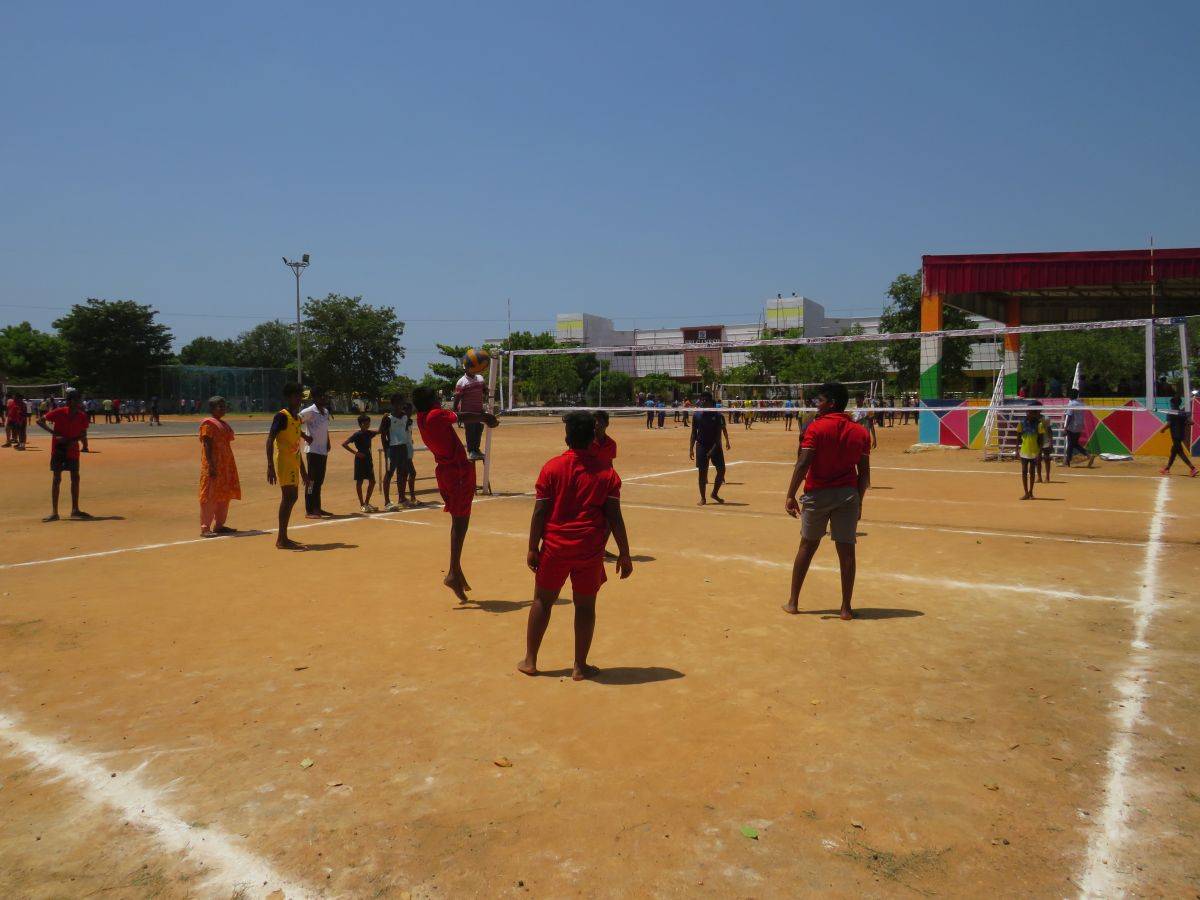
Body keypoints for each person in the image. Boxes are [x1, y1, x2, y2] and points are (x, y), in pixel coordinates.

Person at [519, 412, 632, 680]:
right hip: (589, 549)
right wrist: (625, 553)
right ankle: (580, 666)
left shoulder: (552, 467)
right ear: (594, 437)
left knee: (542, 601)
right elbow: (614, 516)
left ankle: (530, 660)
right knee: (585, 607)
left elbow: (540, 511)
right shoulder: (607, 473)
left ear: (566, 437)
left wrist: (533, 547)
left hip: (555, 547)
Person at [782, 382, 871, 620]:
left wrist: (790, 494)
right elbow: (865, 473)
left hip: (817, 494)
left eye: (819, 400)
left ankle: (793, 602)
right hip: (848, 495)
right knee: (847, 551)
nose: (816, 404)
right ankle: (845, 608)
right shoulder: (860, 432)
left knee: (807, 546)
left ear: (831, 402)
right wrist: (859, 501)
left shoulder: (816, 428)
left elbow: (803, 463)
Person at [413, 385, 499, 602]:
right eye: (436, 397)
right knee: (460, 522)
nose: (438, 400)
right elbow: (461, 416)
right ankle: (453, 571)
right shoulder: (434, 415)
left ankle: (456, 570)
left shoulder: (422, 416)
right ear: (431, 401)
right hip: (456, 472)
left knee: (459, 520)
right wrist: (485, 417)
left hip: (447, 471)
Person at [267, 383, 311, 551]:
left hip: (294, 460)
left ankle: (283, 537)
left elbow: (296, 445)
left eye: (300, 396)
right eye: (296, 396)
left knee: (292, 497)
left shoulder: (297, 418)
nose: (299, 399)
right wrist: (270, 465)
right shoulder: (281, 416)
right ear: (288, 397)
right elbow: (270, 439)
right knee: (288, 497)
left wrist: (304, 472)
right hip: (284, 461)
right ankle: (281, 539)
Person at [37, 389, 91, 522]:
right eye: (77, 399)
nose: (79, 401)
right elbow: (40, 421)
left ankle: (75, 509)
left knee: (75, 477)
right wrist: (54, 434)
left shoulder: (82, 415)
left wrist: (74, 440)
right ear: (71, 400)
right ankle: (54, 512)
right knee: (57, 478)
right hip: (59, 449)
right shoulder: (59, 412)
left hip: (72, 449)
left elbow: (84, 433)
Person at [199, 396, 241, 537]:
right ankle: (205, 527)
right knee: (210, 495)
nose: (223, 409)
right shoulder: (208, 424)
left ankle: (219, 525)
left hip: (226, 465)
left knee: (224, 494)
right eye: (220, 406)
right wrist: (211, 465)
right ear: (211, 409)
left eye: (224, 406)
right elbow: (207, 445)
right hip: (214, 464)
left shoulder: (223, 423)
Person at [689, 391, 731, 505]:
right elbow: (693, 433)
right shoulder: (697, 415)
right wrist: (691, 448)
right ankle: (703, 498)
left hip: (715, 445)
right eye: (701, 400)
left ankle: (714, 493)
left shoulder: (717, 415)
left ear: (710, 402)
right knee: (702, 472)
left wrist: (712, 451)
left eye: (705, 400)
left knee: (721, 470)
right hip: (701, 445)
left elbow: (718, 436)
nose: (703, 402)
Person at [300, 388, 334, 519]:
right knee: (311, 482)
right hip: (313, 451)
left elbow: (325, 429)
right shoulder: (308, 411)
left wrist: (328, 441)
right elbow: (294, 424)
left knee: (319, 481)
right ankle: (309, 509)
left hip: (322, 451)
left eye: (324, 396)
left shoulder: (325, 412)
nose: (324, 398)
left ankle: (317, 507)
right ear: (314, 398)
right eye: (321, 396)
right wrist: (305, 436)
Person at [381, 394, 416, 510]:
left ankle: (402, 499)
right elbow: (383, 435)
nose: (401, 405)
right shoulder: (388, 418)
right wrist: (386, 450)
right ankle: (387, 502)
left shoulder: (405, 417)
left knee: (402, 473)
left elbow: (405, 432)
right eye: (399, 403)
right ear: (393, 404)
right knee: (389, 474)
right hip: (392, 448)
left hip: (403, 448)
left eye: (402, 403)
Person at [342, 414, 379, 512]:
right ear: (361, 424)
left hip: (368, 460)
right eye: (366, 423)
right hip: (360, 460)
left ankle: (366, 503)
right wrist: (356, 453)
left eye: (369, 423)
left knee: (372, 481)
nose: (368, 425)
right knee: (360, 482)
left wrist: (384, 419)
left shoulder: (369, 433)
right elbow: (344, 444)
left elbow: (380, 431)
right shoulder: (357, 435)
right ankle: (362, 504)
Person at [454, 362, 488, 461]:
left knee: (479, 430)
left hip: (479, 410)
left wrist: (487, 391)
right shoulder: (461, 381)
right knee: (470, 431)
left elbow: (484, 389)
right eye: (469, 367)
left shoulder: (480, 378)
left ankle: (477, 450)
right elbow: (457, 397)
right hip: (467, 412)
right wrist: (455, 411)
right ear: (465, 369)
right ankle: (471, 451)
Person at [1159, 396, 1197, 477]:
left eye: (1171, 403)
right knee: (1173, 451)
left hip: (1175, 435)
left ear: (1172, 403)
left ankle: (1193, 468)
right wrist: (1183, 422)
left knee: (1180, 452)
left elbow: (1169, 424)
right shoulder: (1183, 413)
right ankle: (1167, 468)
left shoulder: (1171, 412)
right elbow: (1191, 423)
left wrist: (1162, 429)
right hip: (1181, 435)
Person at [1018, 403, 1048, 500]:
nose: (1028, 413)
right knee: (1023, 471)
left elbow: (1041, 439)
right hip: (1024, 451)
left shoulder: (1039, 424)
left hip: (1034, 451)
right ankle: (1026, 492)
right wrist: (1016, 449)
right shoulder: (1022, 423)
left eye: (1030, 412)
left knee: (1032, 472)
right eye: (1027, 412)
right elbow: (1018, 436)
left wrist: (1039, 452)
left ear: (1034, 413)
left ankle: (1031, 492)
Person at [1062, 389, 1095, 468]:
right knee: (1074, 443)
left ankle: (1068, 461)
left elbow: (1069, 416)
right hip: (1080, 426)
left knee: (1070, 444)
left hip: (1072, 426)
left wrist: (1065, 427)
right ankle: (1087, 455)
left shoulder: (1071, 404)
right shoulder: (1081, 403)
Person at [1038, 414, 1055, 483]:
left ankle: (1047, 477)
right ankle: (1039, 477)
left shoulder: (1046, 418)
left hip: (1046, 441)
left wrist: (1051, 442)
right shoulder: (1032, 418)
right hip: (1037, 442)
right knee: (1038, 460)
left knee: (1047, 459)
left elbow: (1050, 431)